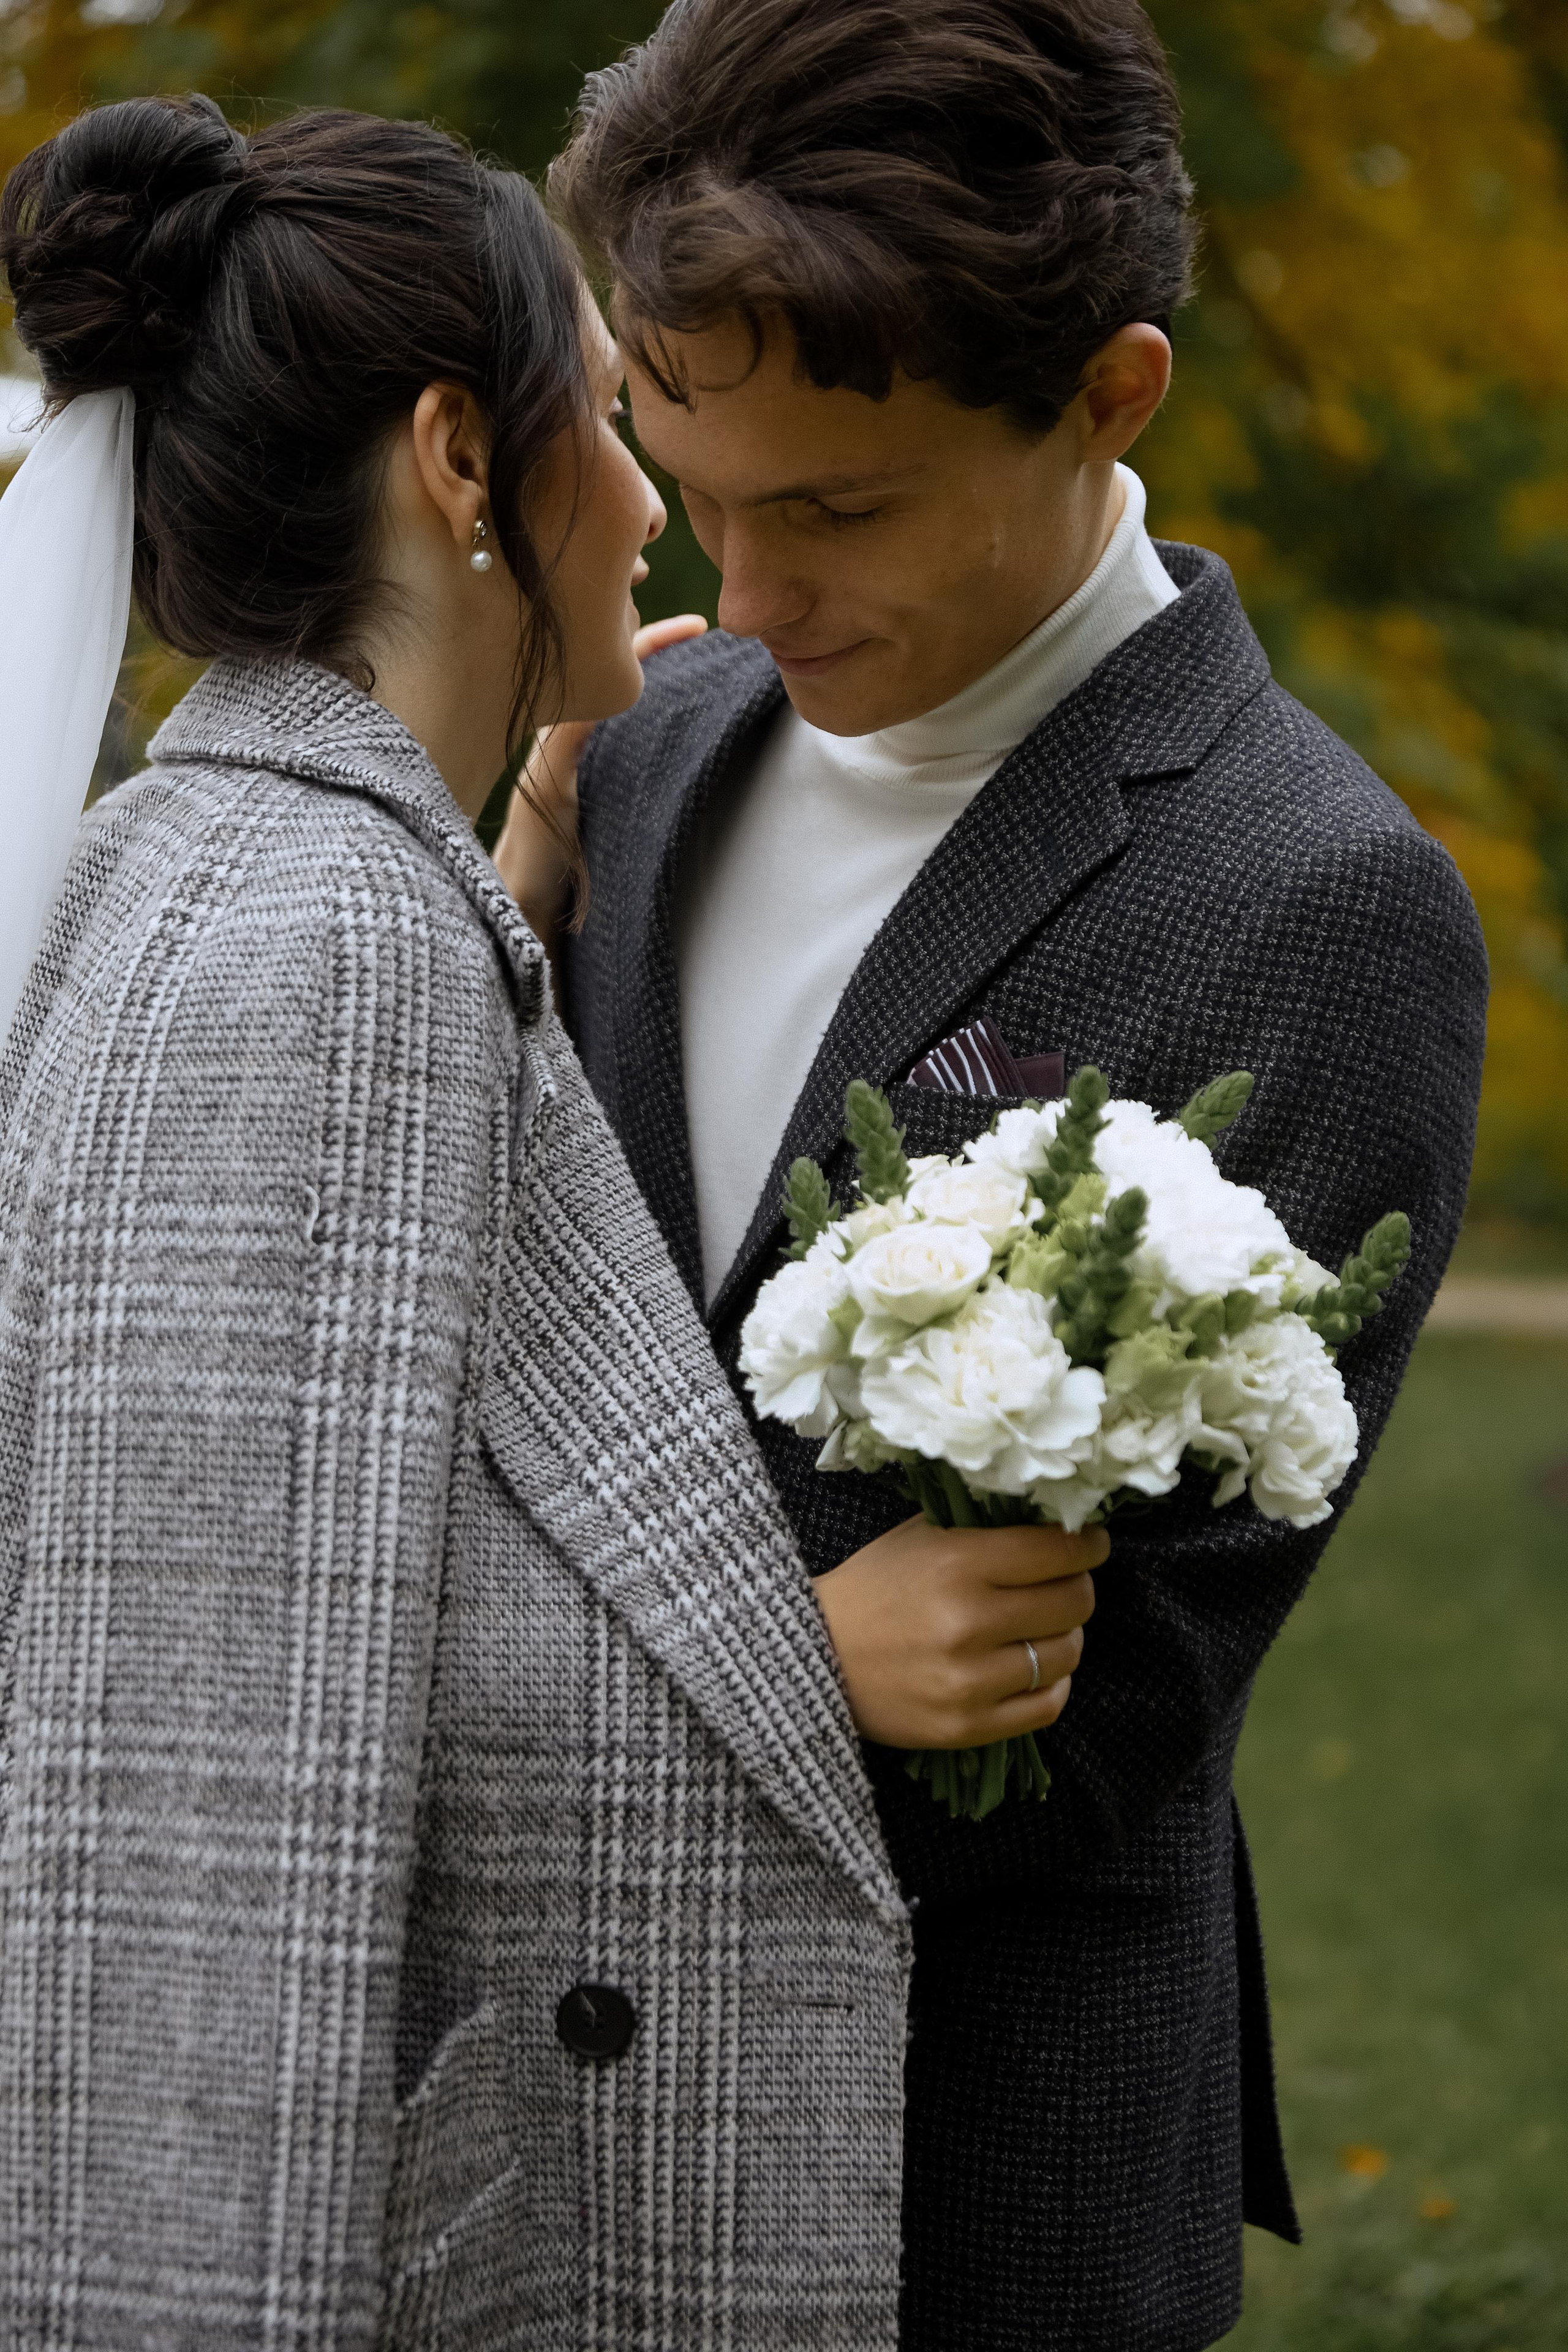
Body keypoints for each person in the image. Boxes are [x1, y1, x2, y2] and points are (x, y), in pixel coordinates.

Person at [0, 94, 1105, 2349]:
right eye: (607, 418)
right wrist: (807, 1658)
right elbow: (204, 1834)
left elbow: (411, 1522)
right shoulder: (319, 940)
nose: (654, 504)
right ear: (460, 462)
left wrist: (510, 889)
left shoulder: (267, 865)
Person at [494, 2, 1491, 2346]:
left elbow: (1091, 1725)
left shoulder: (1313, 899)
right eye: (692, 487)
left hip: (966, 2157)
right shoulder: (654, 745)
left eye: (835, 510)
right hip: (541, 2130)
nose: (742, 598)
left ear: (1112, 397)